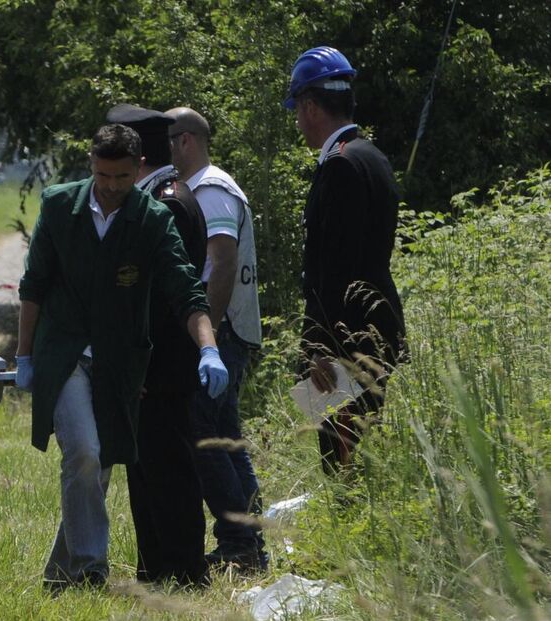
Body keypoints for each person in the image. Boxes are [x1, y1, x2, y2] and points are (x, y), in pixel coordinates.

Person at [16, 124, 229, 592]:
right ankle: (91, 569)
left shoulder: (152, 219)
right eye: (102, 175)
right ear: (91, 166)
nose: (111, 187)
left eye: (122, 177)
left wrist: (208, 347)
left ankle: (61, 573)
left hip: (118, 362)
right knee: (85, 452)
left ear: (139, 169)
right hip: (65, 353)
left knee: (100, 462)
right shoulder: (59, 206)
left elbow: (186, 290)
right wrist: (24, 355)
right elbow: (33, 286)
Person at [284, 46, 406, 473]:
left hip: (346, 342)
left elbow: (335, 269)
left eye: (297, 110)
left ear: (310, 106)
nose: (298, 121)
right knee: (363, 456)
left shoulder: (339, 166)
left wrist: (320, 349)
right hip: (374, 328)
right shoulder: (371, 156)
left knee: (341, 466)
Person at [105, 105, 209, 587]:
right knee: (147, 468)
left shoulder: (166, 204)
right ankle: (158, 567)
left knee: (168, 468)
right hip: (155, 363)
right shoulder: (161, 196)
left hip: (160, 363)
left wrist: (139, 365)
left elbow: (162, 297)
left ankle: (182, 570)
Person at [167, 106, 267, 572]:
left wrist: (206, 335)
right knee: (225, 437)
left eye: (166, 141)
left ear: (185, 140)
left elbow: (222, 262)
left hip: (220, 331)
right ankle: (247, 541)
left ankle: (239, 540)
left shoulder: (210, 190)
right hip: (223, 330)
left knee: (202, 433)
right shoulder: (207, 187)